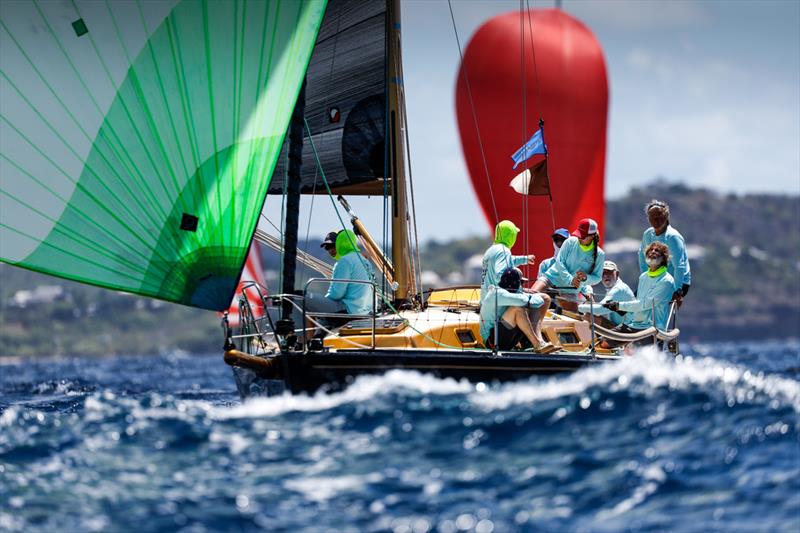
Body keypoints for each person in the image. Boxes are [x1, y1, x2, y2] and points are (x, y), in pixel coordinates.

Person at [601, 242, 675, 348]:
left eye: (657, 251)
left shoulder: (667, 280)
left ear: (663, 258)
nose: (653, 252)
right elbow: (638, 302)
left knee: (641, 354)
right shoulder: (643, 277)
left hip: (653, 328)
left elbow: (644, 304)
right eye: (651, 250)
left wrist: (619, 305)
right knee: (602, 343)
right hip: (634, 325)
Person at [305, 230, 374, 336]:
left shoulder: (345, 261)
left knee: (300, 298)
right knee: (323, 318)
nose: (329, 250)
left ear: (340, 243)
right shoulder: (365, 260)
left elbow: (337, 294)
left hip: (350, 310)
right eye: (327, 248)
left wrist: (323, 302)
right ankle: (317, 339)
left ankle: (303, 341)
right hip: (366, 311)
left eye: (333, 245)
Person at [531, 218, 605, 307]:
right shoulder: (570, 241)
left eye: (583, 236)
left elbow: (597, 277)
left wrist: (586, 278)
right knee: (532, 297)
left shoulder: (600, 254)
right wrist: (570, 279)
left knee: (574, 318)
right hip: (551, 278)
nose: (579, 238)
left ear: (592, 236)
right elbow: (559, 262)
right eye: (578, 235)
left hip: (570, 290)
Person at [480, 267, 556, 353]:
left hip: (503, 335)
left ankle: (536, 341)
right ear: (515, 283)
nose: (521, 286)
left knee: (545, 298)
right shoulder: (498, 293)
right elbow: (535, 302)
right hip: (492, 340)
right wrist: (525, 294)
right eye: (521, 282)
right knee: (518, 308)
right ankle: (537, 344)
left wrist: (524, 293)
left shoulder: (507, 291)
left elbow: (544, 299)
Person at [638, 199, 691, 303]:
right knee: (635, 303)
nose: (656, 220)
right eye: (652, 217)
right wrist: (645, 282)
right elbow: (642, 257)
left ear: (666, 217)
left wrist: (677, 291)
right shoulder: (648, 234)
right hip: (657, 279)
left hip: (678, 282)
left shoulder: (672, 237)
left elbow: (679, 267)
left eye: (659, 216)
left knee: (650, 306)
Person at [480, 220, 535, 295]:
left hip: (486, 297)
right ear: (511, 235)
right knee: (543, 299)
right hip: (498, 300)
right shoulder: (504, 251)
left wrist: (525, 259)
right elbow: (501, 276)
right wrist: (520, 288)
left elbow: (507, 260)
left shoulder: (491, 250)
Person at [577, 260, 635, 327]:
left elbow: (599, 310)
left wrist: (580, 308)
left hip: (628, 333)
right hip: (620, 328)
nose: (605, 275)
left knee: (588, 316)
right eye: (602, 273)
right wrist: (590, 295)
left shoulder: (619, 289)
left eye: (609, 272)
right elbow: (598, 312)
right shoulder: (613, 288)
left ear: (617, 274)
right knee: (590, 315)